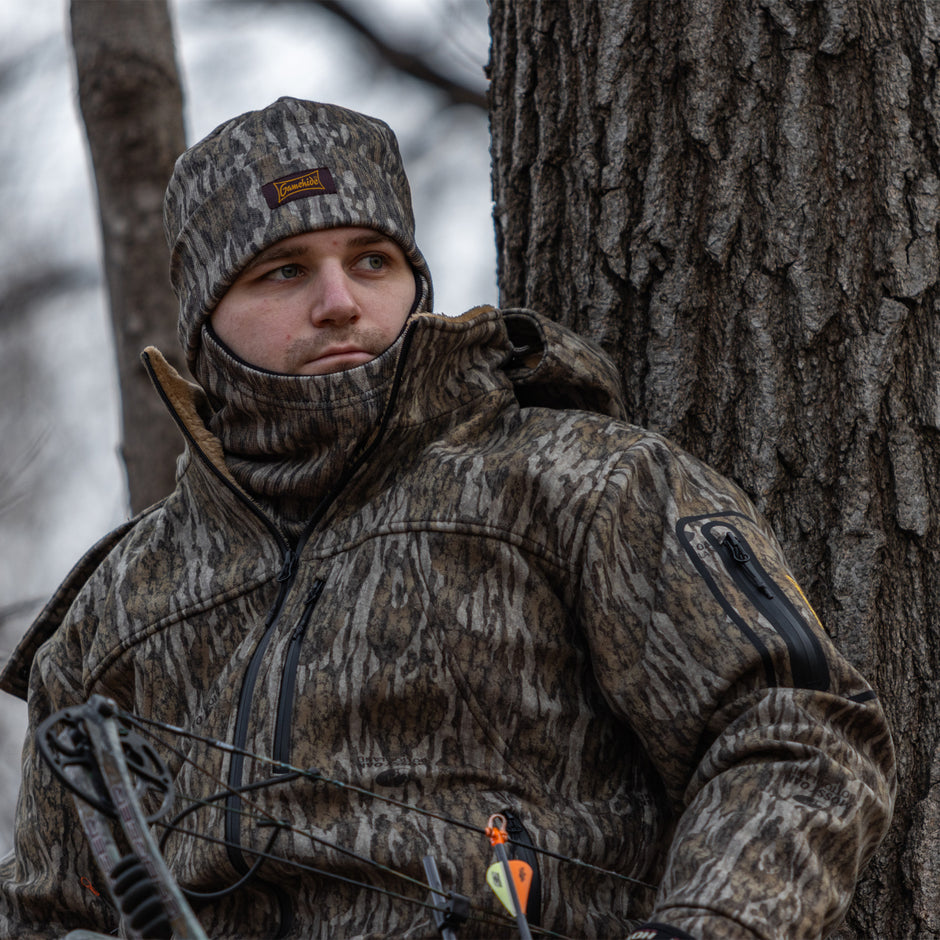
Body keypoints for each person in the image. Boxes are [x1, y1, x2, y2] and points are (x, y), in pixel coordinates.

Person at [0, 97, 894, 940]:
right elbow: (42, 908)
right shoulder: (119, 605)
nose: (340, 301)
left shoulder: (577, 481)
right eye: (283, 271)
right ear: (204, 321)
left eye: (371, 261)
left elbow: (798, 731)